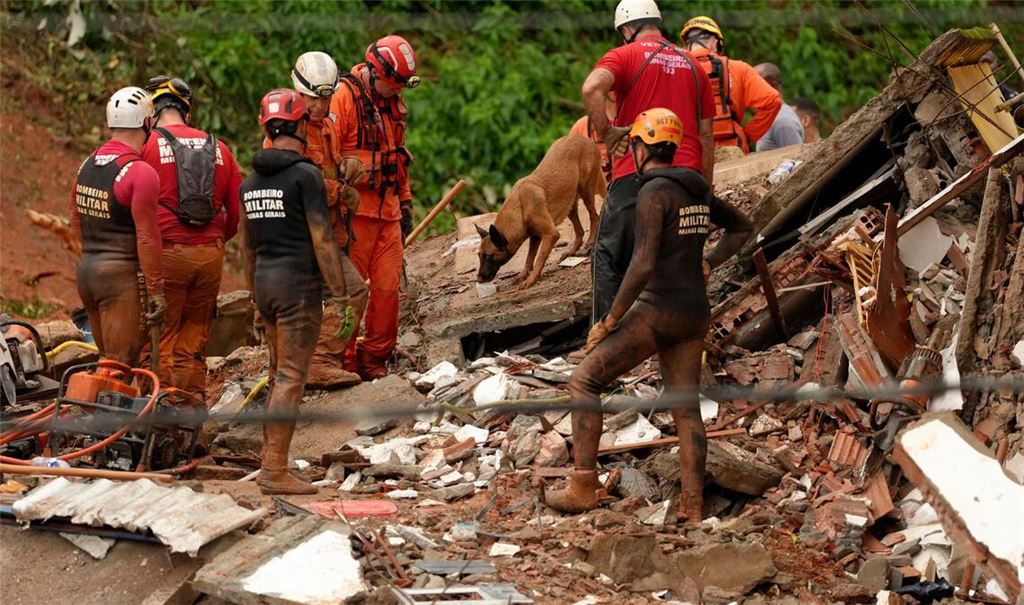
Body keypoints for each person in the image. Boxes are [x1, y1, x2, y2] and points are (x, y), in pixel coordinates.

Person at [544, 108, 753, 523]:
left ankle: (582, 486)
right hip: (694, 312)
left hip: (658, 311)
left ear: (640, 146)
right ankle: (692, 508)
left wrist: (609, 319)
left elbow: (641, 264)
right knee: (686, 408)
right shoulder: (696, 190)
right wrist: (709, 260)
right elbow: (744, 227)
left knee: (584, 381)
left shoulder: (652, 193)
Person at [240, 89, 354, 495]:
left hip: (266, 288)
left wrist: (255, 303)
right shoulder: (306, 176)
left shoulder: (250, 182)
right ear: (302, 125)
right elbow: (323, 242)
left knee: (276, 377)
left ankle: (276, 464)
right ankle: (273, 470)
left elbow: (246, 248)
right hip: (297, 291)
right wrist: (340, 299)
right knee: (290, 379)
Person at [581, 0, 715, 325]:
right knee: (674, 261)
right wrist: (704, 191)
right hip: (688, 178)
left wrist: (608, 134)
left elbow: (591, 88)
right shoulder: (694, 65)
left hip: (637, 174)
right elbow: (707, 135)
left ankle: (605, 341)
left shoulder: (624, 55)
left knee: (610, 256)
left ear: (627, 29)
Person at [140, 76, 242, 402]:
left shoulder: (146, 147)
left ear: (151, 112)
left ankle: (162, 420)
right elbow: (236, 214)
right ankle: (191, 420)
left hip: (167, 252)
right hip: (210, 255)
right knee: (195, 340)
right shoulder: (221, 149)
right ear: (186, 110)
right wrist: (213, 241)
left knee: (162, 337)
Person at [330, 35, 419, 380]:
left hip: (389, 214)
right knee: (352, 295)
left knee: (387, 292)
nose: (397, 93)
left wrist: (406, 200)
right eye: (392, 85)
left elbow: (399, 157)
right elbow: (331, 159)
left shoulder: (391, 103)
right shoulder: (343, 97)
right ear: (375, 71)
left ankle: (374, 361)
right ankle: (343, 363)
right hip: (355, 216)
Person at [288, 51, 370, 389]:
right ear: (299, 91)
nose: (320, 105)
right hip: (303, 235)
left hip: (330, 234)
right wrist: (339, 191)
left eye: (325, 97)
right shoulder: (288, 129)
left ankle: (323, 360)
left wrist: (352, 170)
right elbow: (295, 179)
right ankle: (318, 362)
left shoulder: (330, 128)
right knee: (349, 292)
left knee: (352, 294)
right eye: (313, 97)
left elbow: (334, 170)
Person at [71, 87, 165, 365]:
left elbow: (76, 219)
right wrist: (156, 289)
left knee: (107, 360)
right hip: (120, 281)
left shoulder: (86, 165)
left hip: (88, 274)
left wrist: (93, 257)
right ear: (147, 123)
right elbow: (148, 238)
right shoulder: (139, 172)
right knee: (120, 365)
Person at [680, 16, 781, 154]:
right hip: (733, 148)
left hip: (693, 151)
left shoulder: (675, 71)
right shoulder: (739, 68)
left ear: (686, 46)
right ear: (715, 43)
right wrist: (747, 135)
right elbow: (773, 101)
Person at [753, 63, 804, 151]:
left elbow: (796, 161)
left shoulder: (782, 122)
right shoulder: (771, 118)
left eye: (753, 84)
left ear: (773, 86)